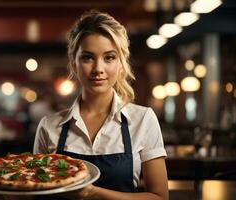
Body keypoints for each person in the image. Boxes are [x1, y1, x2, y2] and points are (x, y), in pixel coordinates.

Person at [33, 10, 168, 200]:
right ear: (74, 63)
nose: (98, 69)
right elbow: (37, 192)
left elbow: (160, 197)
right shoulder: (49, 126)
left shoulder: (143, 119)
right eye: (88, 57)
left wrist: (96, 193)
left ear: (121, 63)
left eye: (109, 57)